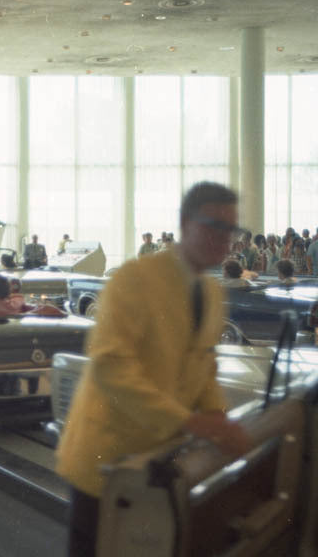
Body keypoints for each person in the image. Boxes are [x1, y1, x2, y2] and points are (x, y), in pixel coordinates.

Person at [56, 182, 250, 557]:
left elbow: (204, 365)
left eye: (231, 230)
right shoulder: (134, 279)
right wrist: (192, 423)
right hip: (104, 465)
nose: (224, 240)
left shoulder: (212, 293)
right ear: (183, 223)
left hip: (154, 466)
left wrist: (218, 418)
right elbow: (110, 369)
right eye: (214, 226)